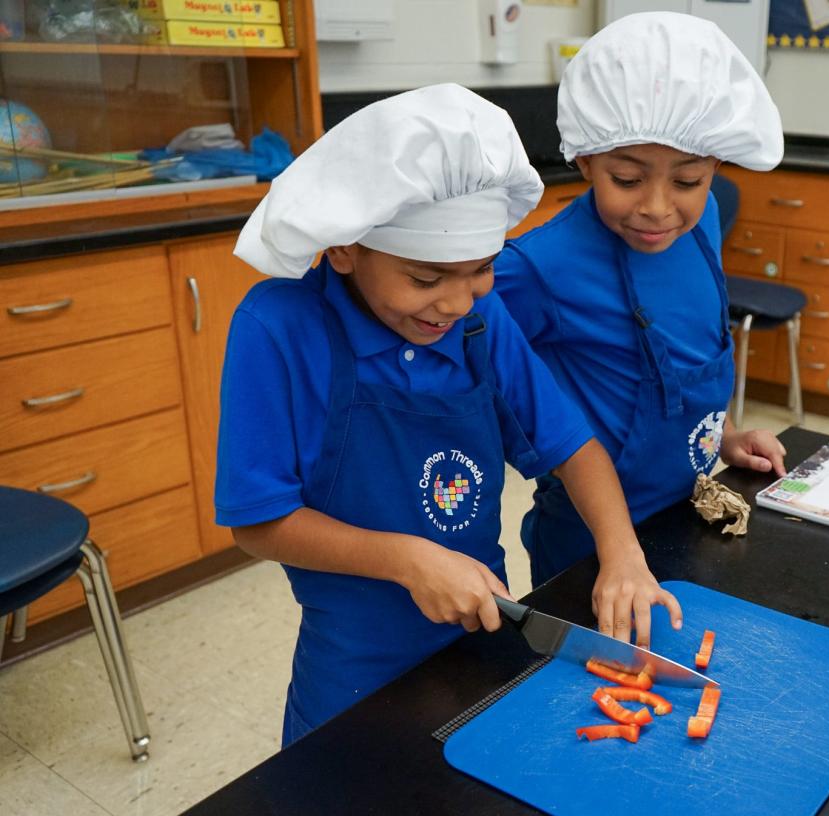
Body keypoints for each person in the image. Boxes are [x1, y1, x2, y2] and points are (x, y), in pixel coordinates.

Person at [218, 84, 682, 747]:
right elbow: (260, 524)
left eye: (482, 270)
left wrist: (622, 554)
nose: (457, 302)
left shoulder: (479, 320)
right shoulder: (279, 327)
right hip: (355, 667)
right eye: (427, 279)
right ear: (346, 248)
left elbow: (571, 444)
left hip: (480, 641)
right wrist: (408, 560)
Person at [494, 13, 789, 587]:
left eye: (687, 181)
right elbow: (468, 354)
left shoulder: (699, 229)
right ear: (584, 161)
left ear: (716, 168)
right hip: (590, 541)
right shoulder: (538, 266)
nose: (658, 208)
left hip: (687, 510)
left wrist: (722, 435)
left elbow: (683, 353)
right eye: (626, 179)